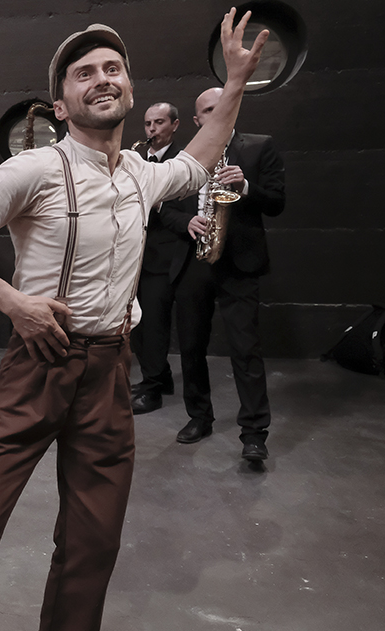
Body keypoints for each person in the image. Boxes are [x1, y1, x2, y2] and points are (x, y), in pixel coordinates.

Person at [0, 13, 269, 631]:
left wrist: (239, 79)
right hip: (36, 363)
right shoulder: (32, 167)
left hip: (107, 372)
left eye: (112, 69)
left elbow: (201, 153)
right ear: (60, 104)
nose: (103, 78)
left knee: (95, 532)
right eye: (84, 72)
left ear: (129, 87)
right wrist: (15, 304)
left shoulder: (141, 175)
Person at [166, 87, 286, 461]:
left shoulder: (258, 146)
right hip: (195, 260)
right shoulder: (183, 157)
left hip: (238, 262)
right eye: (207, 111)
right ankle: (199, 417)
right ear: (197, 120)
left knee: (246, 349)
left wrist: (246, 186)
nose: (216, 115)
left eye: (222, 108)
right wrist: (186, 221)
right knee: (190, 347)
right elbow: (161, 208)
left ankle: (254, 433)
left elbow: (277, 202)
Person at [130, 102, 187, 414]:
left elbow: (186, 212)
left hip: (165, 256)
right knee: (136, 323)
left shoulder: (183, 163)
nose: (152, 130)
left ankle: (152, 388)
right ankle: (160, 376)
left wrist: (154, 201)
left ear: (174, 126)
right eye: (148, 123)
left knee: (153, 323)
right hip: (134, 255)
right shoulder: (136, 159)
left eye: (159, 123)